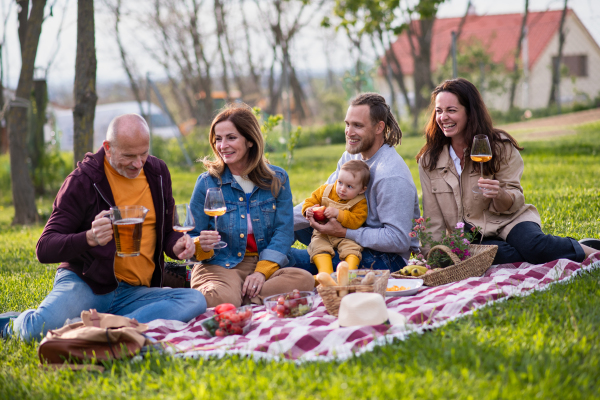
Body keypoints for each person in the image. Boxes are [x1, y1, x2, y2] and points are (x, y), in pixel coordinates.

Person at [1, 114, 207, 342]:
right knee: (34, 332)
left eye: (144, 154)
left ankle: (109, 328)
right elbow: (44, 248)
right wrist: (89, 237)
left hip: (134, 292)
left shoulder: (157, 173)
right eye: (129, 156)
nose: (138, 164)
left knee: (194, 300)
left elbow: (167, 234)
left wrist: (176, 244)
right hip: (87, 283)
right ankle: (12, 323)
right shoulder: (82, 181)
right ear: (107, 148)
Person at [416, 78, 600, 265]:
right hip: (470, 232)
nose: (443, 117)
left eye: (451, 110)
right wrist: (432, 258)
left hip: (510, 220)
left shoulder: (499, 146)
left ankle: (590, 251)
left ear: (470, 113)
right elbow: (433, 218)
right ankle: (559, 248)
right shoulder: (429, 161)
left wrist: (500, 194)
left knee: (534, 246)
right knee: (486, 256)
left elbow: (514, 198)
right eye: (439, 111)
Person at [189, 104, 314, 308]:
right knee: (223, 297)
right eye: (218, 139)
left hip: (263, 262)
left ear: (249, 140)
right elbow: (192, 234)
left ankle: (237, 297)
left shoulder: (277, 179)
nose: (222, 146)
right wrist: (199, 245)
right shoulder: (207, 182)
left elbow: (283, 232)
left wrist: (261, 272)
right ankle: (237, 297)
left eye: (231, 137)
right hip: (221, 264)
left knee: (304, 280)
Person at [292, 93, 421, 274]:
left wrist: (344, 233)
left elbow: (399, 239)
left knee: (289, 258)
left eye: (358, 126)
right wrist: (277, 224)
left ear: (379, 128)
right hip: (348, 232)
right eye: (347, 124)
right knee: (292, 226)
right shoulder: (351, 157)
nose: (349, 132)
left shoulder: (391, 175)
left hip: (386, 258)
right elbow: (324, 197)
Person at [303, 160, 369, 278]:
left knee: (352, 248)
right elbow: (309, 201)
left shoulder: (360, 202)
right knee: (318, 246)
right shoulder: (326, 190)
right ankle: (325, 273)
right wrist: (308, 209)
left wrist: (339, 214)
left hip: (345, 236)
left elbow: (357, 220)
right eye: (340, 182)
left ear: (362, 189)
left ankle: (350, 274)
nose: (342, 189)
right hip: (322, 234)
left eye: (349, 186)